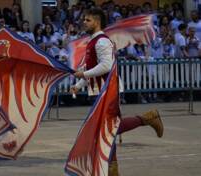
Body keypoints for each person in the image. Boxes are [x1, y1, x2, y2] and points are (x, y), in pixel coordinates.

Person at [70, 8, 164, 176]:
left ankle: (148, 118)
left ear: (97, 22)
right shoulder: (93, 41)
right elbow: (91, 67)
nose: (84, 22)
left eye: (87, 20)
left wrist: (83, 75)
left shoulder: (102, 41)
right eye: (84, 20)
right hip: (101, 91)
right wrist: (79, 84)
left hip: (108, 90)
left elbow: (106, 65)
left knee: (107, 131)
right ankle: (147, 119)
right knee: (106, 132)